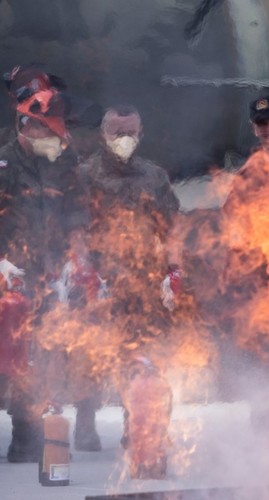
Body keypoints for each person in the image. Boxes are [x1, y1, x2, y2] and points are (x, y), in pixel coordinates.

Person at [77, 105, 181, 450]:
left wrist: (173, 273)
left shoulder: (153, 177)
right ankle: (85, 419)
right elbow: (72, 229)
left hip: (143, 283)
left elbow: (171, 229)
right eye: (117, 132)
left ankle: (138, 425)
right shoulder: (83, 175)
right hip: (99, 279)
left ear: (140, 134)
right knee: (92, 355)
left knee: (145, 355)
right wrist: (81, 271)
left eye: (130, 132)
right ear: (102, 134)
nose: (124, 139)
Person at [0, 88, 89, 462]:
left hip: (50, 274)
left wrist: (75, 254)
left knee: (40, 355)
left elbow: (77, 211)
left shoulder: (64, 162)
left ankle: (28, 430)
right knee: (9, 354)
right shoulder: (3, 165)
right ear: (26, 127)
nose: (55, 138)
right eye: (47, 131)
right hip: (10, 275)